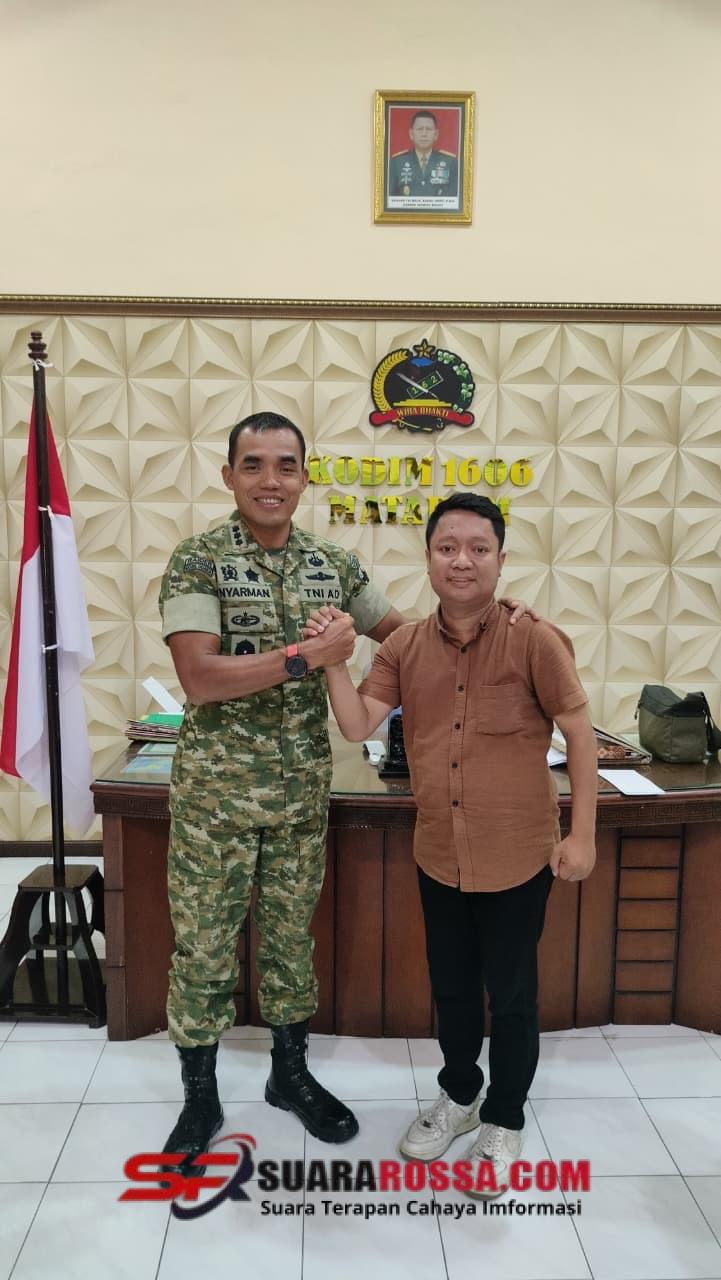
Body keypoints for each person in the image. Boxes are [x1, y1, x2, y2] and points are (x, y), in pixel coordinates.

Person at [158, 418, 534, 1175]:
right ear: (228, 476)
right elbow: (198, 678)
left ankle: (289, 1075)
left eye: (286, 466)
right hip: (214, 802)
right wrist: (307, 656)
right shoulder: (198, 560)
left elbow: (411, 640)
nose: (271, 480)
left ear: (305, 478)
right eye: (253, 465)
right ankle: (199, 1095)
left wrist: (491, 624)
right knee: (203, 950)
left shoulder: (330, 564)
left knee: (289, 944)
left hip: (300, 795)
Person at [303, 492, 598, 1197]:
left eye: (478, 548)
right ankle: (460, 1096)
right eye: (447, 548)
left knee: (513, 994)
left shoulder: (534, 639)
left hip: (518, 855)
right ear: (429, 558)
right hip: (439, 854)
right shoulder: (403, 647)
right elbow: (357, 725)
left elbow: (581, 734)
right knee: (454, 988)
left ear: (499, 559)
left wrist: (582, 833)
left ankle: (504, 1117)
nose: (461, 561)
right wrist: (334, 661)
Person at [388, 109, 459, 200]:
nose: (424, 134)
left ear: (436, 134)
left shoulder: (450, 162)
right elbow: (389, 199)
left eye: (428, 129)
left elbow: (455, 200)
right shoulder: (397, 162)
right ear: (411, 134)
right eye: (420, 129)